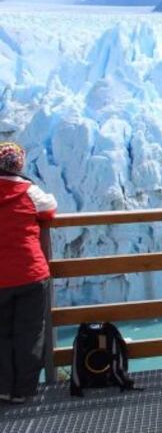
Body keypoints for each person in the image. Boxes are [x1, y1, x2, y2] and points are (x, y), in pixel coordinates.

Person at [0, 142, 57, 404]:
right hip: (30, 274)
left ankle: (3, 388)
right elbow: (49, 208)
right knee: (30, 332)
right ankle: (24, 391)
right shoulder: (29, 192)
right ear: (19, 165)